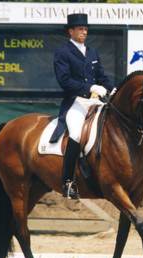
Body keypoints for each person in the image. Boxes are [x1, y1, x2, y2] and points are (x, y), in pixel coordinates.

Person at [50, 13, 114, 199]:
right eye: (80, 29)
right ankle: (68, 181)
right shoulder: (62, 52)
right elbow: (64, 80)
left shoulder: (92, 52)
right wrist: (89, 87)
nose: (84, 32)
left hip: (95, 102)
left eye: (85, 29)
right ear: (70, 31)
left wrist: (113, 88)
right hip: (75, 102)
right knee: (77, 134)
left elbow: (101, 75)